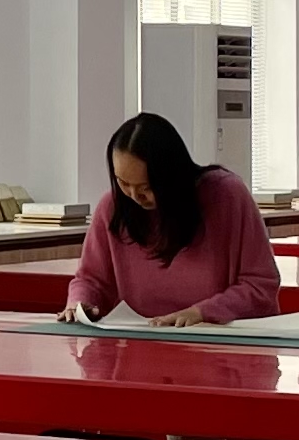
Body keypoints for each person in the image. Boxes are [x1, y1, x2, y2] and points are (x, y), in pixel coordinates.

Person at [61, 110, 278, 323]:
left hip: (217, 338)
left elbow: (260, 285)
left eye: (146, 187)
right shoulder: (113, 207)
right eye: (123, 183)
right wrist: (80, 302)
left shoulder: (226, 196)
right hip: (140, 339)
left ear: (171, 176)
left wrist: (203, 313)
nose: (134, 196)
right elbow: (91, 280)